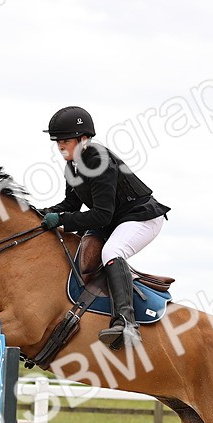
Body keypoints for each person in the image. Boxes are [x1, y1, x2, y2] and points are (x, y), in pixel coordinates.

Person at [38, 106, 171, 349]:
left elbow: (100, 214)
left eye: (65, 140)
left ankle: (126, 322)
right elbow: (71, 204)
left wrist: (62, 219)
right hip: (112, 220)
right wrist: (41, 213)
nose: (60, 146)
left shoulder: (100, 161)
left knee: (112, 252)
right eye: (57, 141)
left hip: (140, 217)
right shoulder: (73, 166)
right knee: (80, 256)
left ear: (84, 138)